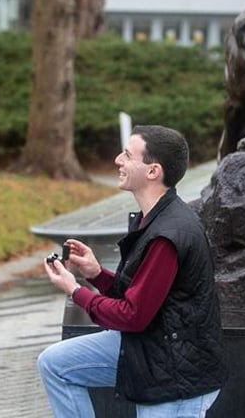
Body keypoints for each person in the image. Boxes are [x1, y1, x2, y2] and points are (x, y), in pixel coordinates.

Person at [39, 125, 226, 417]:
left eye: (127, 155)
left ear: (152, 171)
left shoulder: (168, 234)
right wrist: (96, 274)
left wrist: (76, 291)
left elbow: (133, 315)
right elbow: (142, 296)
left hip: (174, 373)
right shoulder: (152, 219)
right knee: (55, 364)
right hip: (151, 344)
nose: (117, 160)